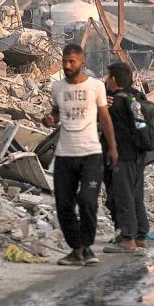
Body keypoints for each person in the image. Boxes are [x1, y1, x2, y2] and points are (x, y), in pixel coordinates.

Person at [43, 44, 117, 267]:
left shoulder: (96, 86)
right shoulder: (56, 87)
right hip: (65, 155)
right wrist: (49, 120)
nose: (67, 65)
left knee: (87, 200)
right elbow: (56, 113)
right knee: (64, 204)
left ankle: (86, 245)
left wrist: (112, 147)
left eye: (72, 61)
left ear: (82, 62)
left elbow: (104, 117)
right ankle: (77, 249)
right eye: (64, 61)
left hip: (91, 153)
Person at [101, 62, 148, 255]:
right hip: (139, 154)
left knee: (123, 195)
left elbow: (104, 124)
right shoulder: (137, 96)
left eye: (107, 77)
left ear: (113, 79)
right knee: (136, 195)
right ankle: (141, 237)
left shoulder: (113, 102)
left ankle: (128, 240)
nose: (105, 80)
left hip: (121, 154)